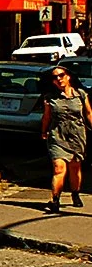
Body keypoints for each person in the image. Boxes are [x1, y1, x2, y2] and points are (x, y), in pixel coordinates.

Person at [40, 65, 91, 212]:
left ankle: (75, 194)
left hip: (77, 135)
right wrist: (44, 131)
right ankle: (55, 200)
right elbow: (46, 117)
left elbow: (88, 113)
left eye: (61, 75)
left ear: (68, 77)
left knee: (75, 167)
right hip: (58, 135)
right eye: (55, 77)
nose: (58, 79)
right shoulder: (50, 98)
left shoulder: (81, 94)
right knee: (59, 168)